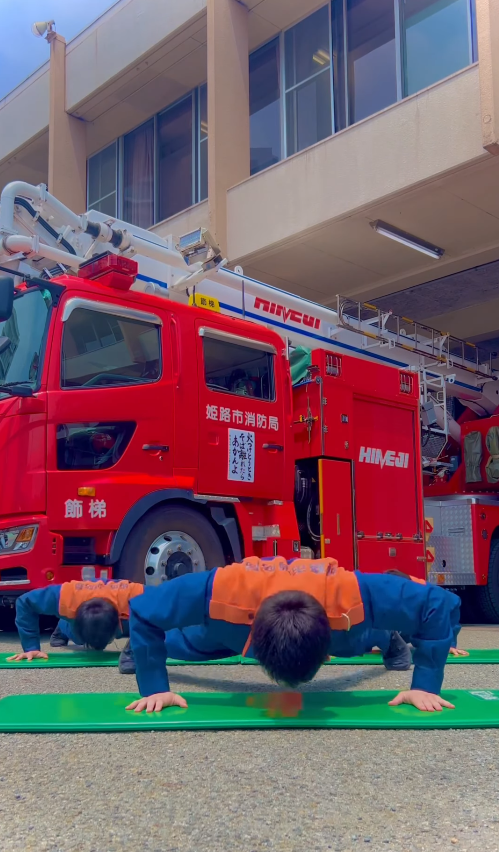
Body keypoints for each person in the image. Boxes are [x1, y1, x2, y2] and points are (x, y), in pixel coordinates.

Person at [125, 556, 461, 714]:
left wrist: (424, 686)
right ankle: (137, 649)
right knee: (192, 643)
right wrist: (155, 687)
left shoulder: (352, 594)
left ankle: (388, 640)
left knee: (359, 638)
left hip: (343, 625)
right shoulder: (219, 590)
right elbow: (142, 609)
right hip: (232, 623)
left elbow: (441, 603)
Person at [8, 579, 142, 674]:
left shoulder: (137, 596)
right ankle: (62, 628)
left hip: (124, 609)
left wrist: (134, 653)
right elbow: (24, 602)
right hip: (75, 609)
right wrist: (31, 648)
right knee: (78, 639)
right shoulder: (63, 597)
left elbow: (155, 615)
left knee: (141, 624)